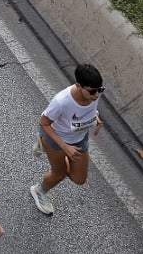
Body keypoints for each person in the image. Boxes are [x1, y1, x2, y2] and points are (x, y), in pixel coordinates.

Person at [32, 64, 106, 216]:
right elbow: (44, 123)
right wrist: (64, 147)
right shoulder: (62, 101)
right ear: (78, 86)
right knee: (59, 174)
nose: (97, 95)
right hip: (56, 140)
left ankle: (49, 152)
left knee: (79, 179)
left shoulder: (93, 95)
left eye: (100, 89)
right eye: (92, 91)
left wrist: (96, 118)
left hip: (79, 138)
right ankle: (39, 191)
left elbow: (89, 110)